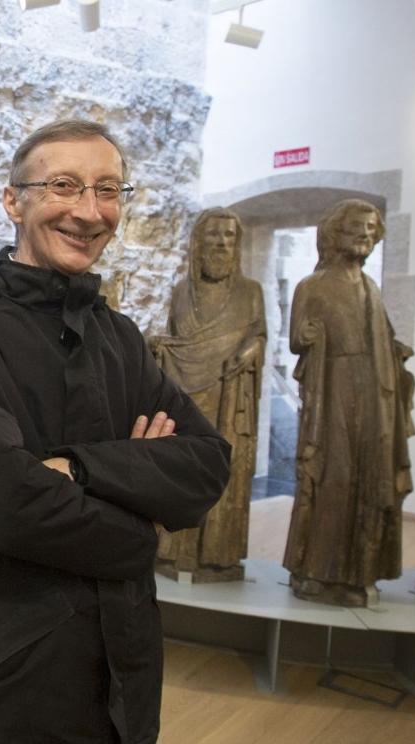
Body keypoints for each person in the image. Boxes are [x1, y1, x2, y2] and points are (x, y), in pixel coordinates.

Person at [0, 119, 230, 743]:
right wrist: (141, 527)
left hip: (122, 672)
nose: (88, 211)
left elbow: (207, 464)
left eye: (108, 190)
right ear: (13, 200)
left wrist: (76, 469)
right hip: (6, 675)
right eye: (64, 185)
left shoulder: (120, 337)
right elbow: (5, 503)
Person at [282, 199, 415, 607]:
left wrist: (393, 352)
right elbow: (295, 341)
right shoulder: (313, 285)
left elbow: (379, 337)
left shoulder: (370, 288)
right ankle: (319, 571)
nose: (365, 235)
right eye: (357, 228)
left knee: (368, 479)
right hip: (334, 391)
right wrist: (307, 334)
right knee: (332, 481)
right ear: (336, 234)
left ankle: (358, 571)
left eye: (372, 229)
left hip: (373, 393)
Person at [153, 208, 266, 583]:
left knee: (225, 471)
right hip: (185, 397)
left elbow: (258, 336)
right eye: (213, 236)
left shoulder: (251, 293)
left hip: (228, 396)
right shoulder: (181, 292)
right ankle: (173, 553)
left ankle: (217, 556)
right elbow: (174, 341)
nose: (221, 243)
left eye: (229, 237)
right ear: (198, 243)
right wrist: (158, 347)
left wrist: (249, 352)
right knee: (180, 469)